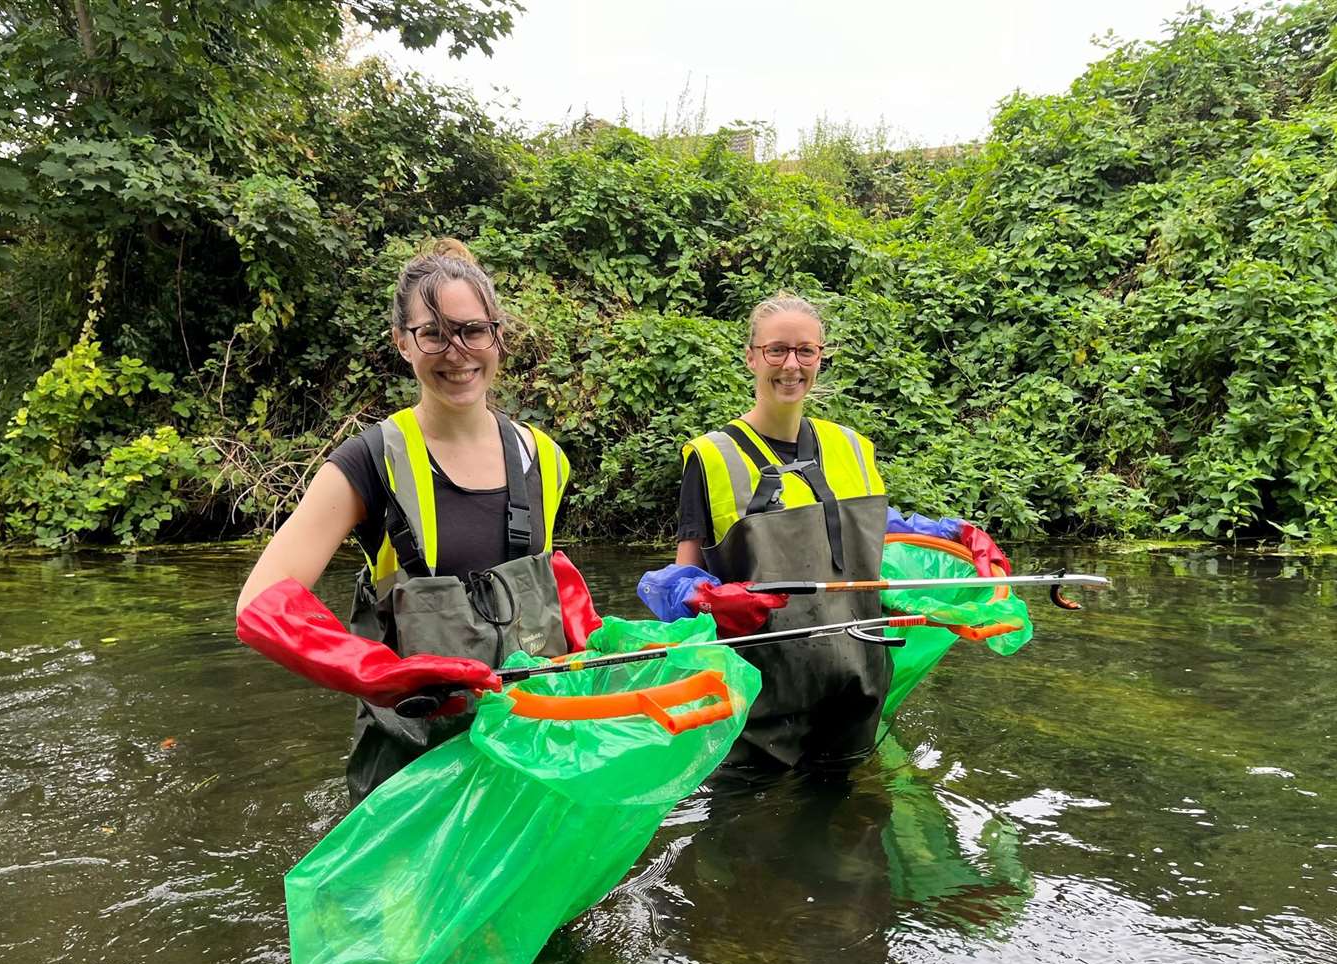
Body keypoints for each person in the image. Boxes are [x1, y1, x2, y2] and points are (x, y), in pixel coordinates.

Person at [235, 239, 600, 804]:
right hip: (413, 776)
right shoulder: (366, 461)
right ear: (402, 343)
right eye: (433, 334)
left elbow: (545, 590)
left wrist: (592, 637)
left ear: (498, 335)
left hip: (533, 758)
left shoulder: (545, 458)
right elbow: (260, 603)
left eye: (473, 330)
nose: (456, 353)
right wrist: (373, 670)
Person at [638, 291, 888, 770]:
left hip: (857, 698)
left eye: (805, 351)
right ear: (752, 357)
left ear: (821, 357)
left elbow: (884, 542)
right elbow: (679, 583)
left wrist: (952, 537)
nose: (791, 365)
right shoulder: (712, 457)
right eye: (777, 350)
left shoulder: (854, 448)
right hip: (759, 712)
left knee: (855, 833)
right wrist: (707, 599)